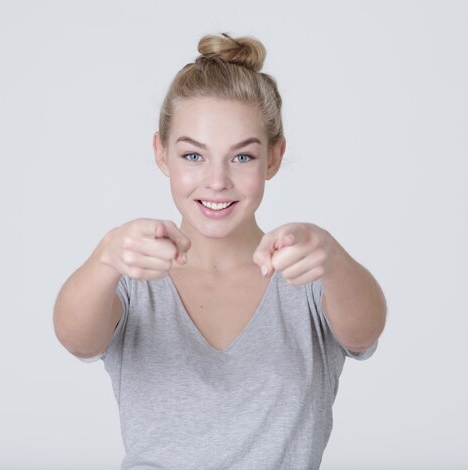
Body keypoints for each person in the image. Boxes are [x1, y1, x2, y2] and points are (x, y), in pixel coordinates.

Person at [53, 32, 386, 470]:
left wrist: (335, 260)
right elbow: (77, 340)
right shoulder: (136, 275)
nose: (216, 181)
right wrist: (104, 259)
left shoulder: (305, 276)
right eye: (193, 156)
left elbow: (365, 332)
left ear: (273, 157)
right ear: (162, 153)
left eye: (242, 158)